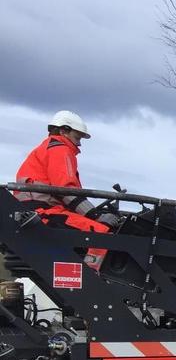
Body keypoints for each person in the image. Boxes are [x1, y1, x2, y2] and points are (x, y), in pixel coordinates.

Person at [14, 111, 110, 269]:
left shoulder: (46, 149)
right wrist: (96, 216)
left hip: (36, 211)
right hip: (44, 212)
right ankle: (90, 282)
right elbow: (67, 191)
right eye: (77, 137)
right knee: (101, 234)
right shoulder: (60, 149)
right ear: (63, 131)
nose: (79, 144)